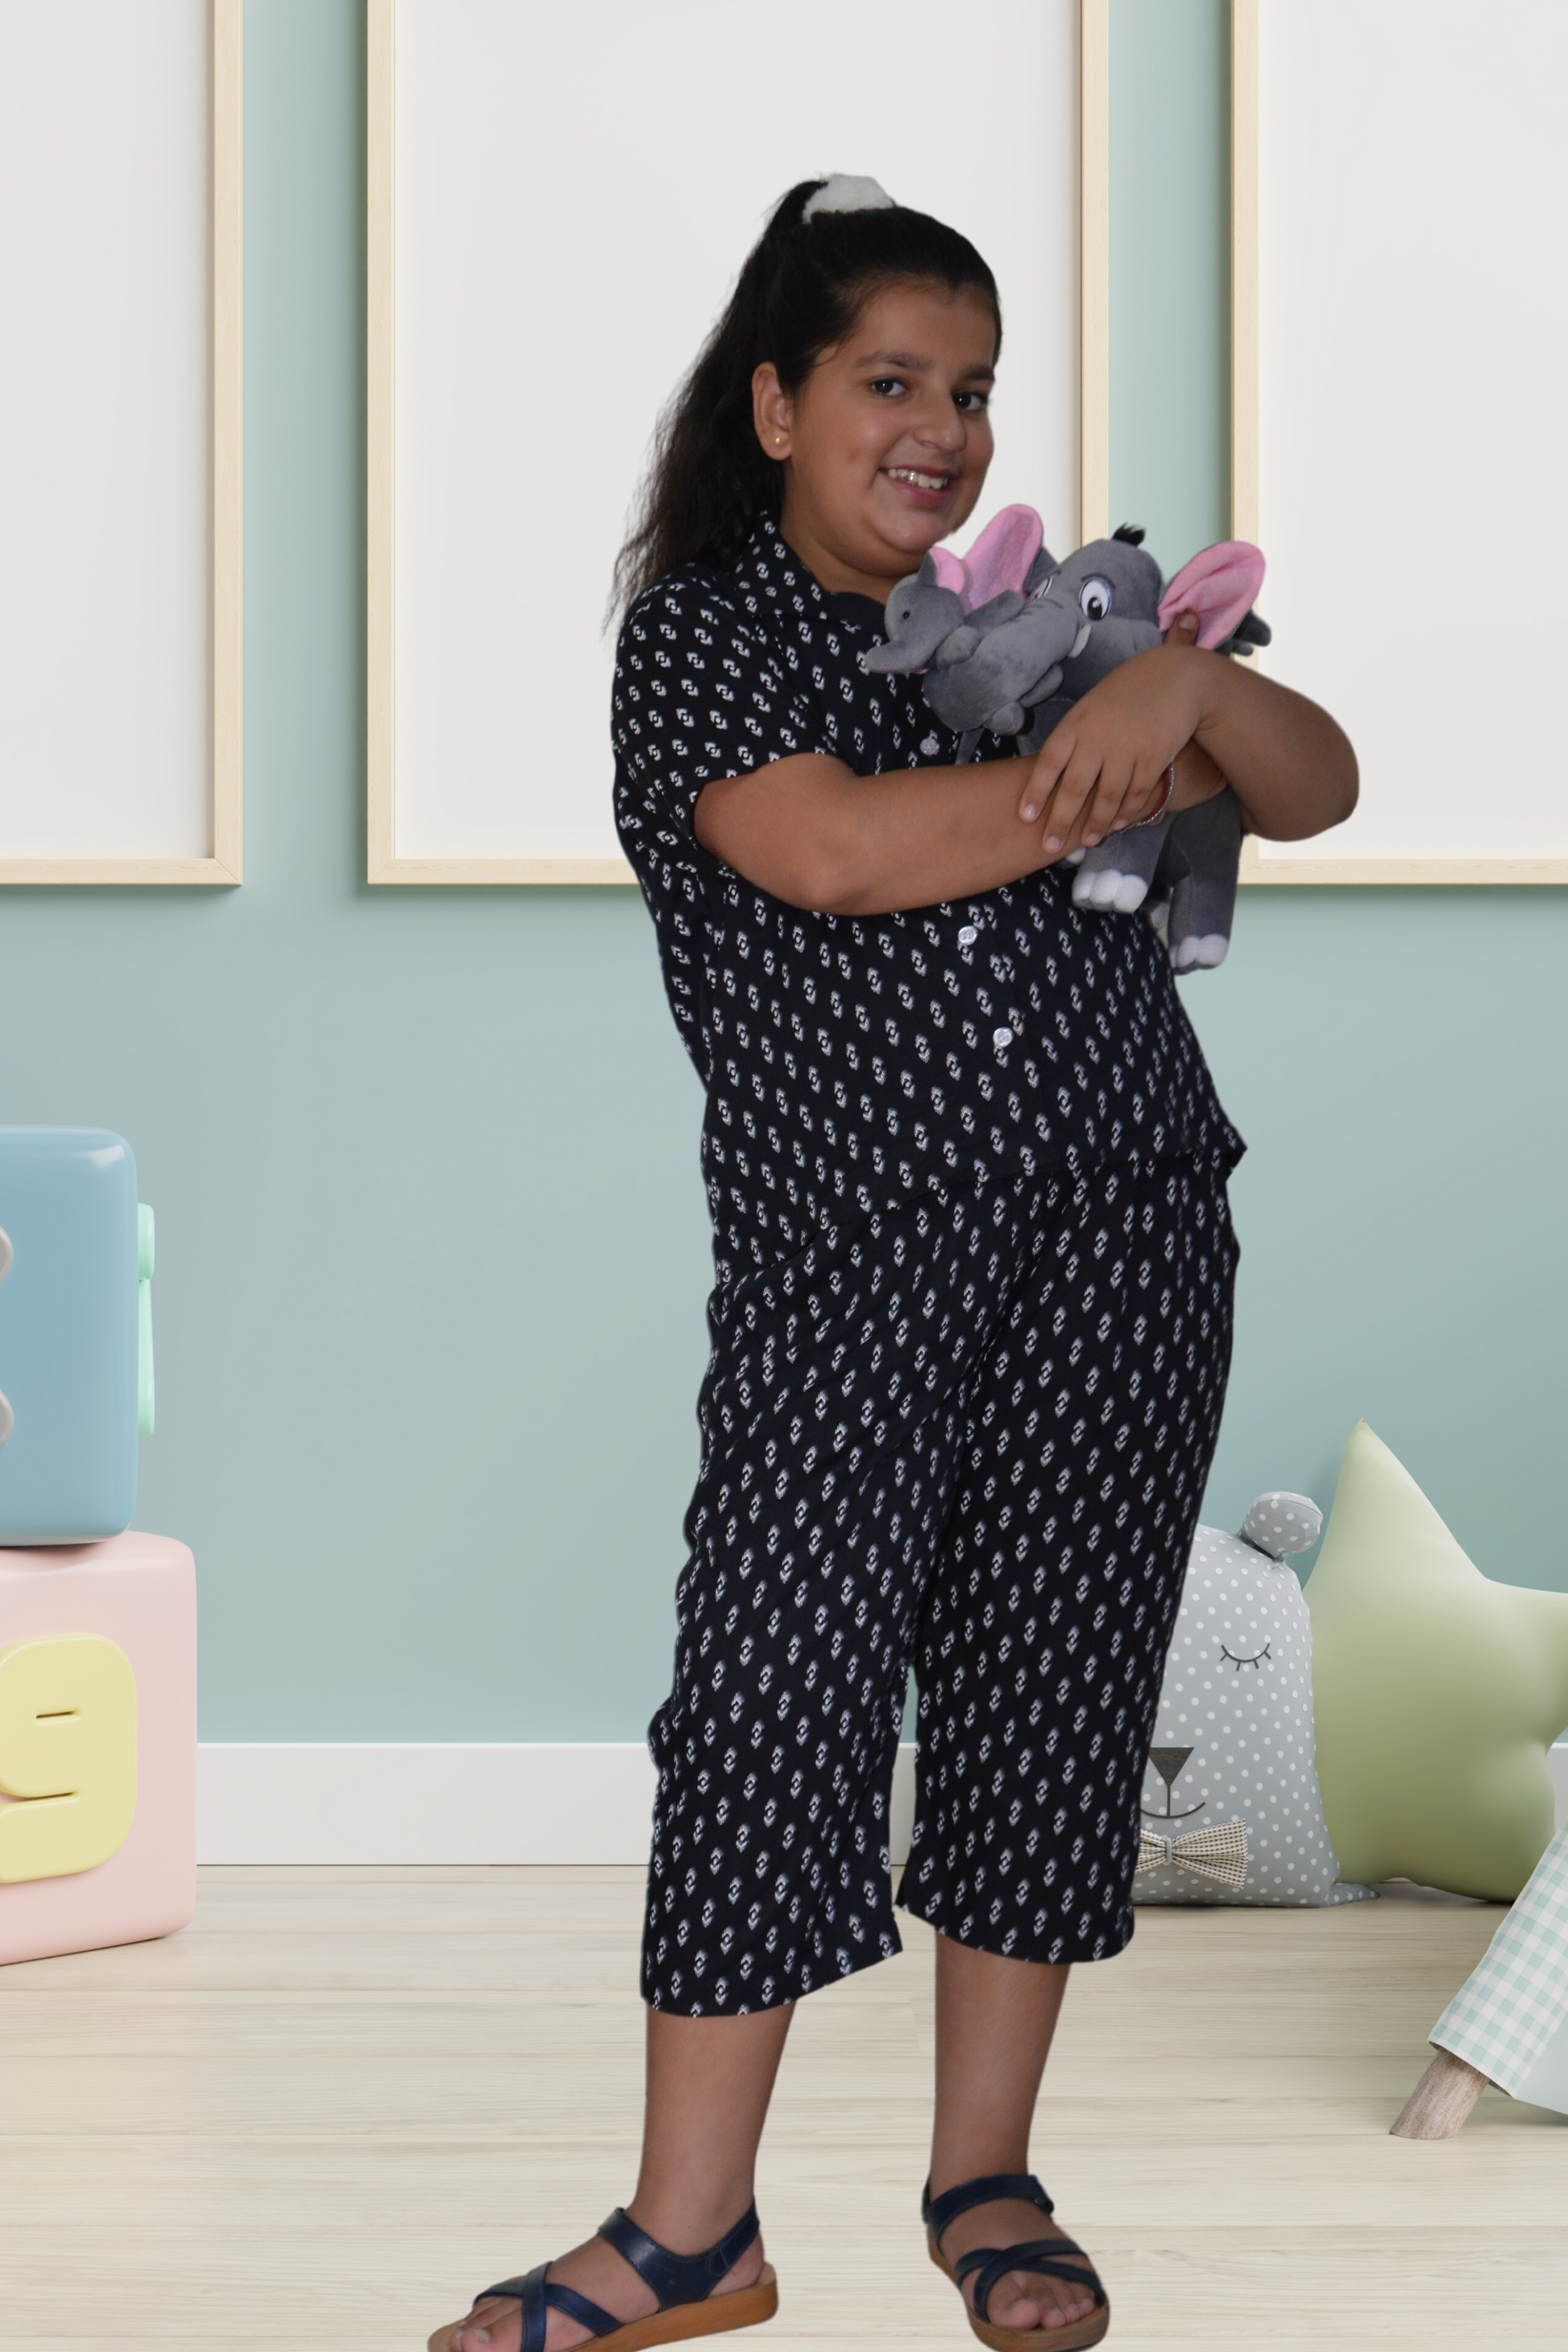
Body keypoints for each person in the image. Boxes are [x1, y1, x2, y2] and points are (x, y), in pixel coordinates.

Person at [429, 176, 1355, 2352]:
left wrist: (1178, 678)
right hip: (856, 1251)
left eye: (972, 390)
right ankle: (690, 2233)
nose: (939, 429)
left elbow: (1312, 782)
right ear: (775, 404)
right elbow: (831, 852)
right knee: (771, 1692)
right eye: (888, 383)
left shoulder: (1045, 630)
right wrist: (1097, 762)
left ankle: (986, 2176)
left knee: (1052, 1693)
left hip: (1126, 1224)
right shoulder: (706, 639)